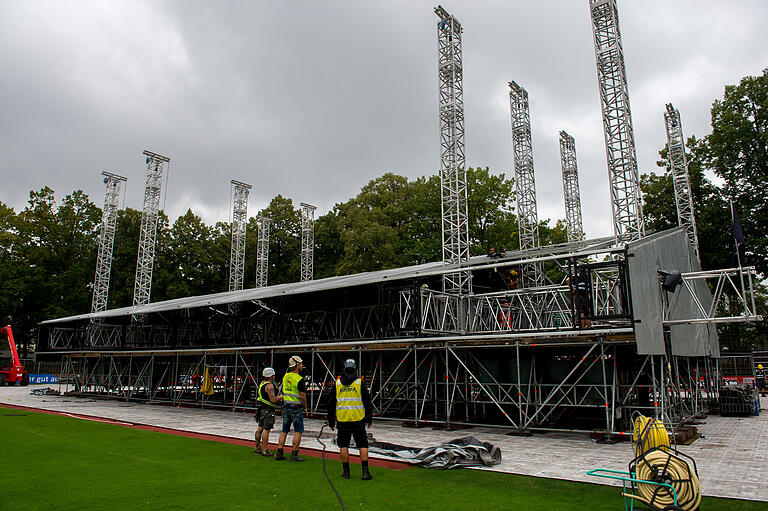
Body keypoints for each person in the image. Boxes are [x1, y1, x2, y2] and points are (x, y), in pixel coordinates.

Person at [327, 358, 373, 480]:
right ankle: (365, 472)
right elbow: (367, 402)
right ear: (355, 369)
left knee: (343, 445)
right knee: (362, 445)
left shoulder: (337, 384)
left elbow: (331, 404)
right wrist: (369, 418)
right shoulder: (359, 383)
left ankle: (346, 472)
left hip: (343, 420)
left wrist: (331, 421)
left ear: (344, 369)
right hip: (358, 419)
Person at [275, 355, 307, 462]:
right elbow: (302, 396)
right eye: (301, 363)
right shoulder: (299, 380)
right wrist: (306, 408)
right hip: (296, 408)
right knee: (298, 431)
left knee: (284, 430)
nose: (302, 365)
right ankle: (294, 454)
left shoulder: (286, 376)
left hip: (286, 406)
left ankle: (279, 452)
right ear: (297, 365)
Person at [254, 367, 283, 456]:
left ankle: (257, 447)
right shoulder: (269, 386)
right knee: (266, 430)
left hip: (261, 409)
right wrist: (281, 397)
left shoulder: (262, 384)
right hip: (268, 410)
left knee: (259, 428)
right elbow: (273, 400)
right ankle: (265, 450)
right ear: (271, 376)